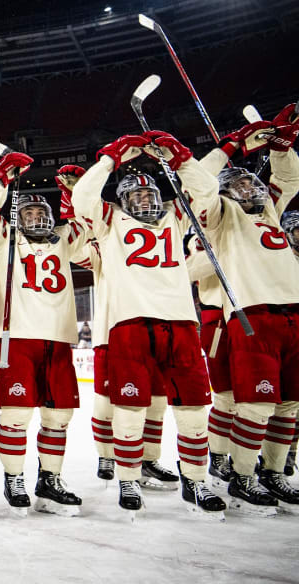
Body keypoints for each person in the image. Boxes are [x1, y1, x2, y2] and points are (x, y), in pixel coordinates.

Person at [72, 130, 224, 517]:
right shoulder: (109, 221)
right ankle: (127, 477)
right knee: (130, 406)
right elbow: (82, 199)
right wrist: (110, 159)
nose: (144, 199)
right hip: (130, 323)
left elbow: (207, 193)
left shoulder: (175, 214)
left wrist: (182, 157)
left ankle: (195, 480)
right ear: (122, 200)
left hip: (181, 322)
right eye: (135, 195)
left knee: (192, 407)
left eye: (149, 193)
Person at [192, 110, 299, 513]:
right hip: (251, 316)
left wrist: (282, 147)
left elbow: (289, 179)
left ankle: (273, 473)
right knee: (253, 404)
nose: (247, 188)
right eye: (237, 184)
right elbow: (200, 180)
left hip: (294, 314)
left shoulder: (269, 209)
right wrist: (231, 144)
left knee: (290, 404)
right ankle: (242, 475)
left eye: (249, 181)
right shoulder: (220, 216)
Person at [0, 151, 89, 517]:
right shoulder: (2, 237)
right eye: (28, 214)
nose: (36, 219)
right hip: (15, 337)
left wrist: (76, 192)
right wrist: (1, 176)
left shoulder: (64, 238)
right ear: (16, 218)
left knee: (59, 417)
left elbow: (91, 226)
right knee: (17, 416)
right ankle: (14, 478)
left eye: (42, 214)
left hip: (57, 338)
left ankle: (49, 481)